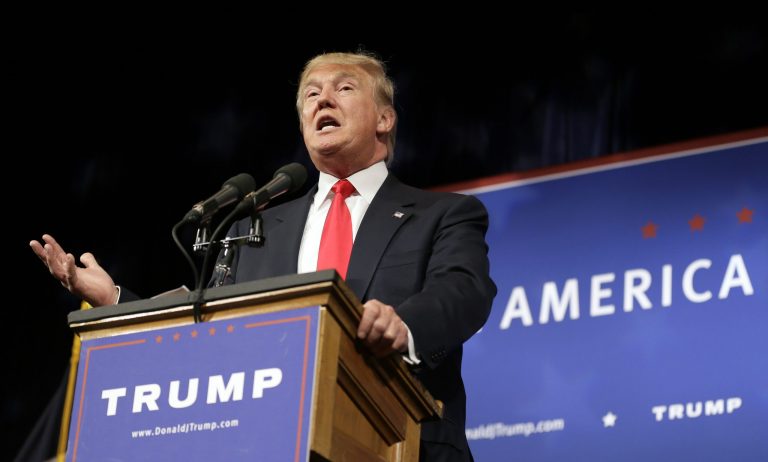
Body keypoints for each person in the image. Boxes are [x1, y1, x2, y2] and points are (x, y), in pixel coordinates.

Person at [30, 51, 496, 461]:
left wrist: (404, 325)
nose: (323, 100)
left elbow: (464, 290)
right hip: (266, 442)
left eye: (344, 88)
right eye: (311, 94)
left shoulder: (443, 213)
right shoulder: (252, 228)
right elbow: (204, 330)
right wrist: (115, 298)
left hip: (402, 442)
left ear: (385, 119)